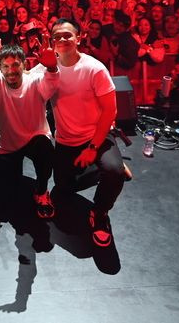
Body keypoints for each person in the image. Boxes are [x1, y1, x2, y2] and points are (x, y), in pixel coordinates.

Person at [43, 18, 124, 248]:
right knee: (63, 188)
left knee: (114, 172)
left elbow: (110, 110)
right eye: (57, 36)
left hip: (96, 136)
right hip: (66, 140)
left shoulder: (94, 68)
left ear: (79, 38)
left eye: (67, 35)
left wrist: (93, 148)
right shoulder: (49, 67)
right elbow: (22, 84)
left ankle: (99, 213)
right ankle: (98, 169)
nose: (62, 39)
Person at [0, 40, 59, 219]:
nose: (11, 70)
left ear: (24, 64)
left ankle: (42, 191)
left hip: (34, 139)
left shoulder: (36, 81)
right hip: (7, 144)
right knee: (4, 202)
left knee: (45, 149)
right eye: (5, 66)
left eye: (15, 64)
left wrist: (52, 68)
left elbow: (51, 81)